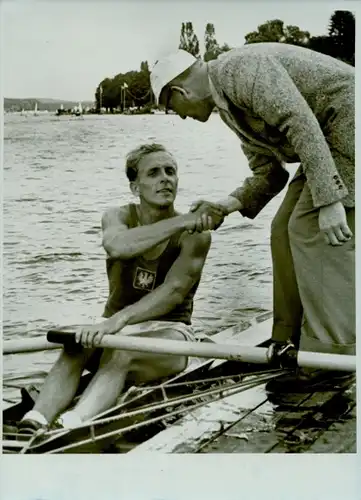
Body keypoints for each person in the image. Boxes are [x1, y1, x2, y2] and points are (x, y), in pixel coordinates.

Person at [150, 44, 355, 389]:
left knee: (308, 228)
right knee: (280, 230)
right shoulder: (229, 108)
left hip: (350, 128)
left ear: (179, 91)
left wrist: (331, 200)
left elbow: (300, 121)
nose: (182, 116)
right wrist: (224, 206)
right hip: (324, 144)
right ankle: (289, 340)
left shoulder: (241, 69)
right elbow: (269, 174)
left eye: (174, 108)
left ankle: (333, 357)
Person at [19, 143, 212, 433]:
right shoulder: (117, 216)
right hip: (115, 327)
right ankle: (34, 421)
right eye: (154, 173)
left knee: (121, 355)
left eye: (170, 171)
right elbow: (117, 246)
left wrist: (117, 321)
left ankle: (70, 426)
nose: (165, 178)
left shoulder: (197, 235)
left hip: (170, 333)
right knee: (74, 346)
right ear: (135, 187)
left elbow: (173, 292)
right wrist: (183, 221)